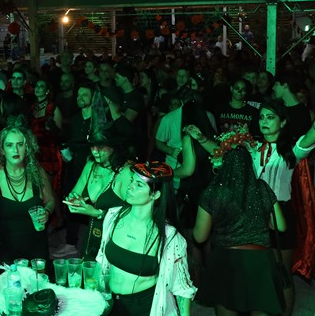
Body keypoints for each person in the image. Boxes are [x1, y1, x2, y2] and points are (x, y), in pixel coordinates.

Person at [194, 99, 315, 316]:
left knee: (281, 273)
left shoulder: (292, 150)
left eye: (270, 117)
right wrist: (202, 138)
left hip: (280, 213)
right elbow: (223, 152)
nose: (264, 122)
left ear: (283, 122)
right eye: (261, 117)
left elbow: (311, 135)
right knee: (258, 272)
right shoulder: (253, 147)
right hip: (253, 215)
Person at [193, 146, 286, 316]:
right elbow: (280, 226)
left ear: (223, 165)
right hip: (260, 261)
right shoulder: (262, 188)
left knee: (226, 307)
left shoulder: (212, 192)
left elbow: (199, 237)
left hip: (226, 261)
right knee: (261, 308)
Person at [96, 161, 196, 316]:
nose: (130, 187)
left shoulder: (169, 237)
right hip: (111, 303)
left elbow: (182, 288)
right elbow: (101, 259)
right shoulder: (113, 216)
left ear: (155, 194)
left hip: (144, 308)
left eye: (139, 185)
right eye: (131, 181)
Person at [64, 129, 131, 261]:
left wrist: (97, 213)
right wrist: (74, 201)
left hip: (116, 240)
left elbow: (133, 214)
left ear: (113, 146)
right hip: (92, 237)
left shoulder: (126, 172)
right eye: (92, 146)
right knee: (88, 270)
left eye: (100, 147)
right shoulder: (91, 165)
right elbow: (75, 193)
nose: (95, 151)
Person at [0, 125, 55, 265]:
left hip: (37, 250)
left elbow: (50, 200)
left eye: (20, 144)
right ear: (2, 150)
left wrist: (47, 211)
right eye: (9, 145)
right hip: (6, 252)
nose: (15, 150)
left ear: (27, 148)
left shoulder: (36, 172)